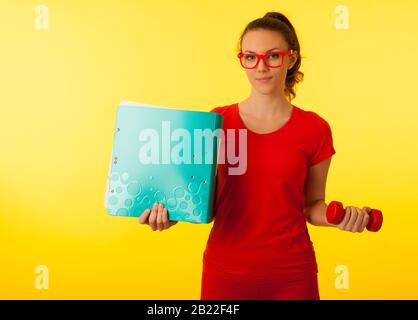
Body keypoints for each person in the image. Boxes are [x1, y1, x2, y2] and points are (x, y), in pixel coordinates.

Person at [138, 11, 372, 300]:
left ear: (291, 58)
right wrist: (170, 215)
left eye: (273, 56)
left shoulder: (315, 129)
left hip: (292, 274)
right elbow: (204, 206)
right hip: (225, 273)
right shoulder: (217, 122)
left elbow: (312, 205)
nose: (261, 67)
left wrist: (344, 218)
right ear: (243, 60)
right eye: (250, 57)